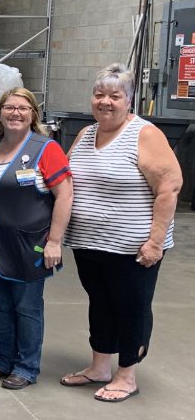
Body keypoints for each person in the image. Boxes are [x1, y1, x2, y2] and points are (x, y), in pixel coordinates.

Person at [60, 64, 182, 402]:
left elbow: (169, 188)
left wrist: (155, 242)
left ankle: (127, 374)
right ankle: (99, 366)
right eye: (99, 94)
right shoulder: (86, 134)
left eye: (115, 96)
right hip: (89, 242)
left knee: (131, 307)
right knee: (100, 303)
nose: (105, 102)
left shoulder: (145, 134)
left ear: (129, 100)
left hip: (133, 246)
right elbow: (65, 178)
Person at [0, 88, 73, 390]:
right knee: (2, 306)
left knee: (27, 308)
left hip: (30, 246)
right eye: (9, 107)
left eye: (23, 108)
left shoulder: (46, 149)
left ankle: (26, 367)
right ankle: (4, 360)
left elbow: (65, 195)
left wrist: (54, 241)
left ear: (33, 114)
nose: (15, 113)